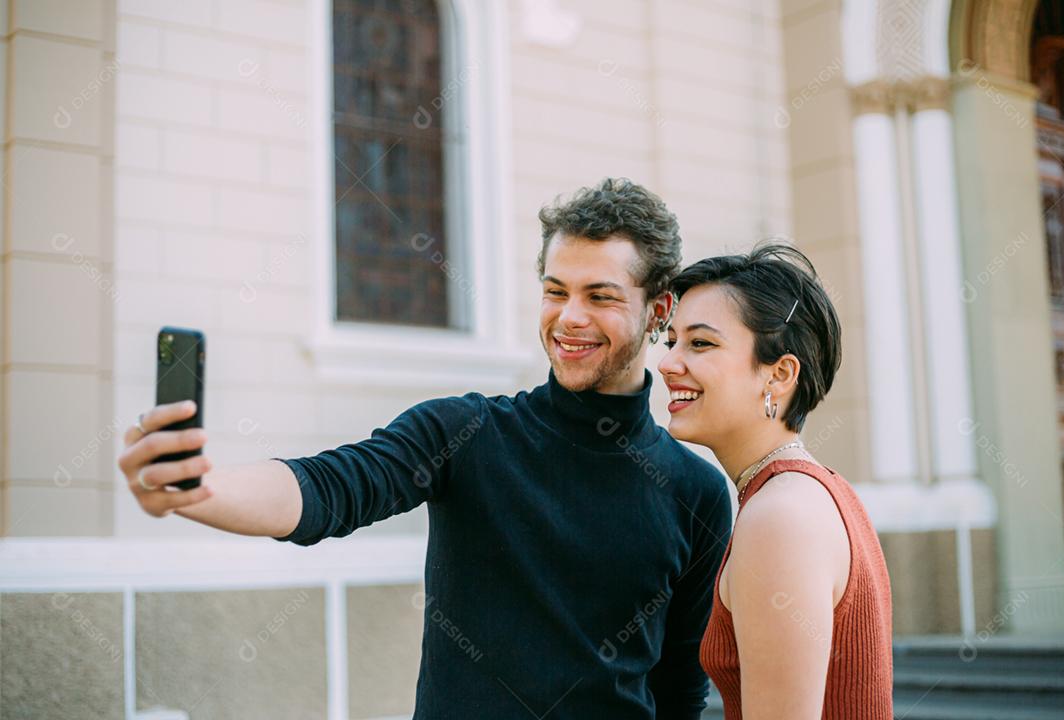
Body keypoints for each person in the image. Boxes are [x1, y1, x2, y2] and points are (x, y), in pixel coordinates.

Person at [118, 178, 732, 719]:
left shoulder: (696, 492)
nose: (569, 317)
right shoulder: (465, 434)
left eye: (599, 296)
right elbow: (328, 488)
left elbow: (678, 690)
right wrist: (198, 488)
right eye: (554, 291)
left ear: (658, 310)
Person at [658, 243, 892, 719]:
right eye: (671, 341)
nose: (667, 364)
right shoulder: (811, 492)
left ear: (780, 374)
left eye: (700, 343)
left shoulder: (780, 516)